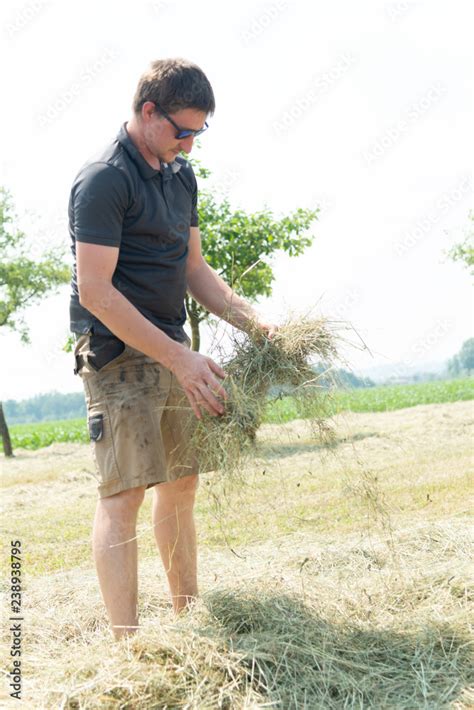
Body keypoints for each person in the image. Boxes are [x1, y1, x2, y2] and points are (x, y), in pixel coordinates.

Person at [69, 58, 275, 640]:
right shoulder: (105, 179)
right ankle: (127, 649)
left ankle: (189, 621)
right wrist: (179, 358)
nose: (189, 143)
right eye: (182, 129)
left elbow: (194, 268)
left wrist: (256, 325)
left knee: (182, 483)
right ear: (148, 111)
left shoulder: (180, 176)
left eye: (198, 134)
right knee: (125, 493)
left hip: (171, 344)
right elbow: (97, 292)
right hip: (115, 353)